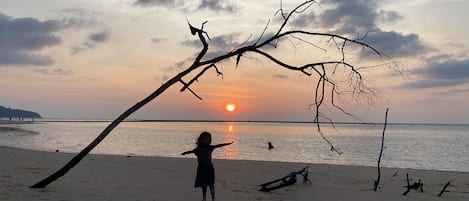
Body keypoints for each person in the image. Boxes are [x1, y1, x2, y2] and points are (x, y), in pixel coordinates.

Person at [181, 131, 233, 201]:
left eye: (207, 139)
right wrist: (185, 153)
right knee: (204, 185)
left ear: (210, 141)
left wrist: (227, 144)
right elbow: (191, 151)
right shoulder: (198, 149)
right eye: (204, 139)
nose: (205, 141)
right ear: (200, 140)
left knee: (211, 184)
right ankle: (204, 198)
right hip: (201, 169)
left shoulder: (210, 148)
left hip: (209, 169)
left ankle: (213, 198)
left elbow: (219, 145)